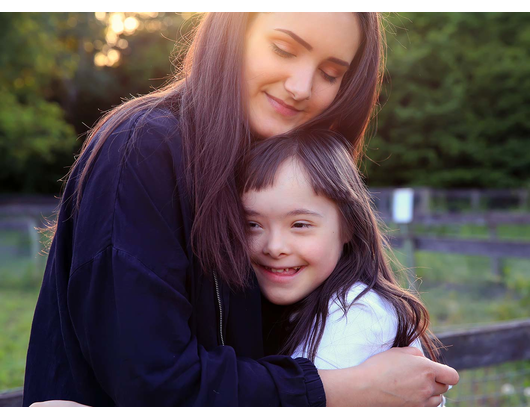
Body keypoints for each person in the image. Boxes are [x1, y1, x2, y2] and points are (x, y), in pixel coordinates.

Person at [24, 12, 458, 407]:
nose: (301, 87)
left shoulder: (267, 174)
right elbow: (151, 382)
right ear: (234, 32)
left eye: (330, 73)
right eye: (284, 49)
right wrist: (348, 389)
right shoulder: (145, 149)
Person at [238, 130, 440, 369]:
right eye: (253, 225)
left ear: (348, 226)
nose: (274, 247)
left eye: (300, 224)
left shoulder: (359, 315)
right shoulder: (286, 307)